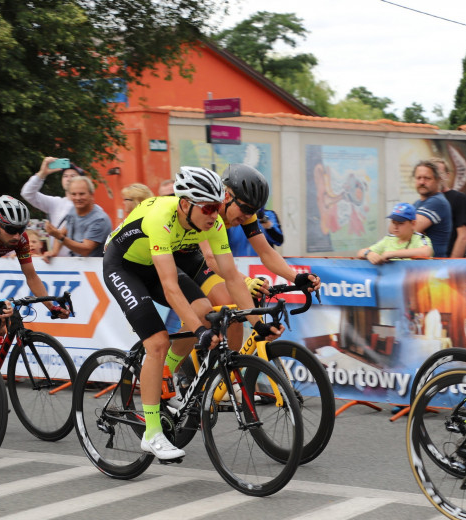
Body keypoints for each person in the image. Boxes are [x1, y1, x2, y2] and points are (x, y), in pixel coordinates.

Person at [102, 166, 274, 462]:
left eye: (217, 207)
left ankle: (167, 369)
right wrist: (198, 331)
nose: (213, 215)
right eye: (207, 208)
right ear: (185, 204)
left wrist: (259, 324)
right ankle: (152, 433)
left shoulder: (212, 224)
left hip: (155, 266)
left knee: (204, 309)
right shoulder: (161, 219)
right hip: (123, 266)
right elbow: (170, 288)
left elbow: (231, 277)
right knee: (156, 342)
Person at [171, 163, 316, 359]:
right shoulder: (207, 209)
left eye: (254, 210)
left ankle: (229, 372)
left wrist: (297, 277)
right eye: (246, 208)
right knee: (217, 307)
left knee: (236, 312)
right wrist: (246, 282)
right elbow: (210, 257)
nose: (248, 215)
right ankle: (171, 368)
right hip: (173, 257)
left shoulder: (245, 215)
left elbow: (266, 252)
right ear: (227, 196)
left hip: (196, 259)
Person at [0, 197, 69, 344]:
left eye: (21, 229)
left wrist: (52, 307)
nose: (17, 235)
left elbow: (31, 277)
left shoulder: (21, 239)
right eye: (11, 229)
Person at [44, 176, 112, 258]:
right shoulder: (73, 211)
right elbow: (63, 232)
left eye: (82, 194)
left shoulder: (99, 219)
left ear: (91, 194)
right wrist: (54, 252)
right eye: (74, 194)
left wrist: (58, 236)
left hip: (97, 268)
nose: (78, 198)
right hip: (77, 266)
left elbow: (86, 250)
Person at [20, 157, 84, 230]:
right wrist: (42, 174)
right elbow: (27, 193)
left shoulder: (89, 207)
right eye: (65, 176)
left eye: (73, 176)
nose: (68, 179)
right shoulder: (55, 203)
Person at [357, 203, 433, 263]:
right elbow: (360, 253)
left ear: (413, 224)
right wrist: (369, 254)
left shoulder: (419, 238)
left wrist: (392, 254)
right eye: (393, 222)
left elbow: (426, 252)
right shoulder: (388, 239)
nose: (395, 227)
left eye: (400, 223)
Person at [411, 160, 453, 258]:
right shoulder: (417, 204)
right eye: (418, 178)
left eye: (427, 178)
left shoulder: (437, 202)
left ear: (437, 180)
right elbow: (395, 231)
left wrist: (410, 230)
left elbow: (408, 231)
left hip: (433, 268)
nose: (422, 182)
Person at [433, 158, 466, 258]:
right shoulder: (426, 201)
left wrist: (452, 264)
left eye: (440, 173)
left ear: (447, 175)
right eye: (433, 174)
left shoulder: (458, 198)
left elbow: (463, 236)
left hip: (448, 261)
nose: (437, 178)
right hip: (428, 263)